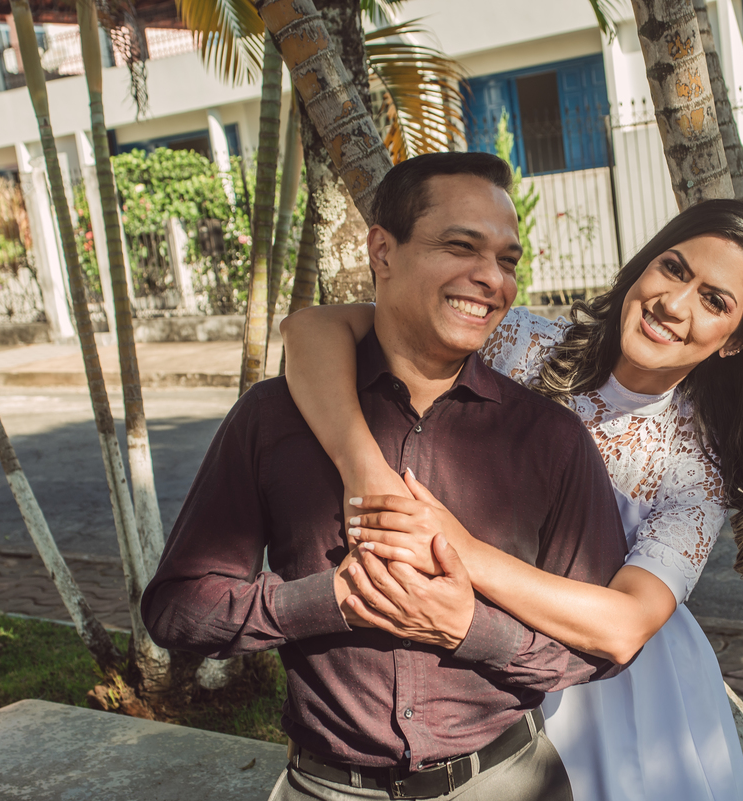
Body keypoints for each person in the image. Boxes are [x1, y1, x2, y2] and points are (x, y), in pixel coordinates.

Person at [280, 197, 743, 801]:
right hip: (451, 661)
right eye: (673, 268)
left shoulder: (696, 463)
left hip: (605, 694)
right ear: (645, 264)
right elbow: (312, 329)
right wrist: (364, 473)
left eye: (714, 301)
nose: (674, 303)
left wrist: (460, 549)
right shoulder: (520, 340)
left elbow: (623, 627)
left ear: (735, 343)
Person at [141, 151, 633, 801]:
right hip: (326, 787)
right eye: (461, 246)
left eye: (508, 260)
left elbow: (599, 648)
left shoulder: (550, 438)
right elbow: (176, 609)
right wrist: (326, 601)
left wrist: (469, 627)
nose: (491, 278)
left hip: (506, 781)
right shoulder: (274, 418)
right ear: (382, 250)